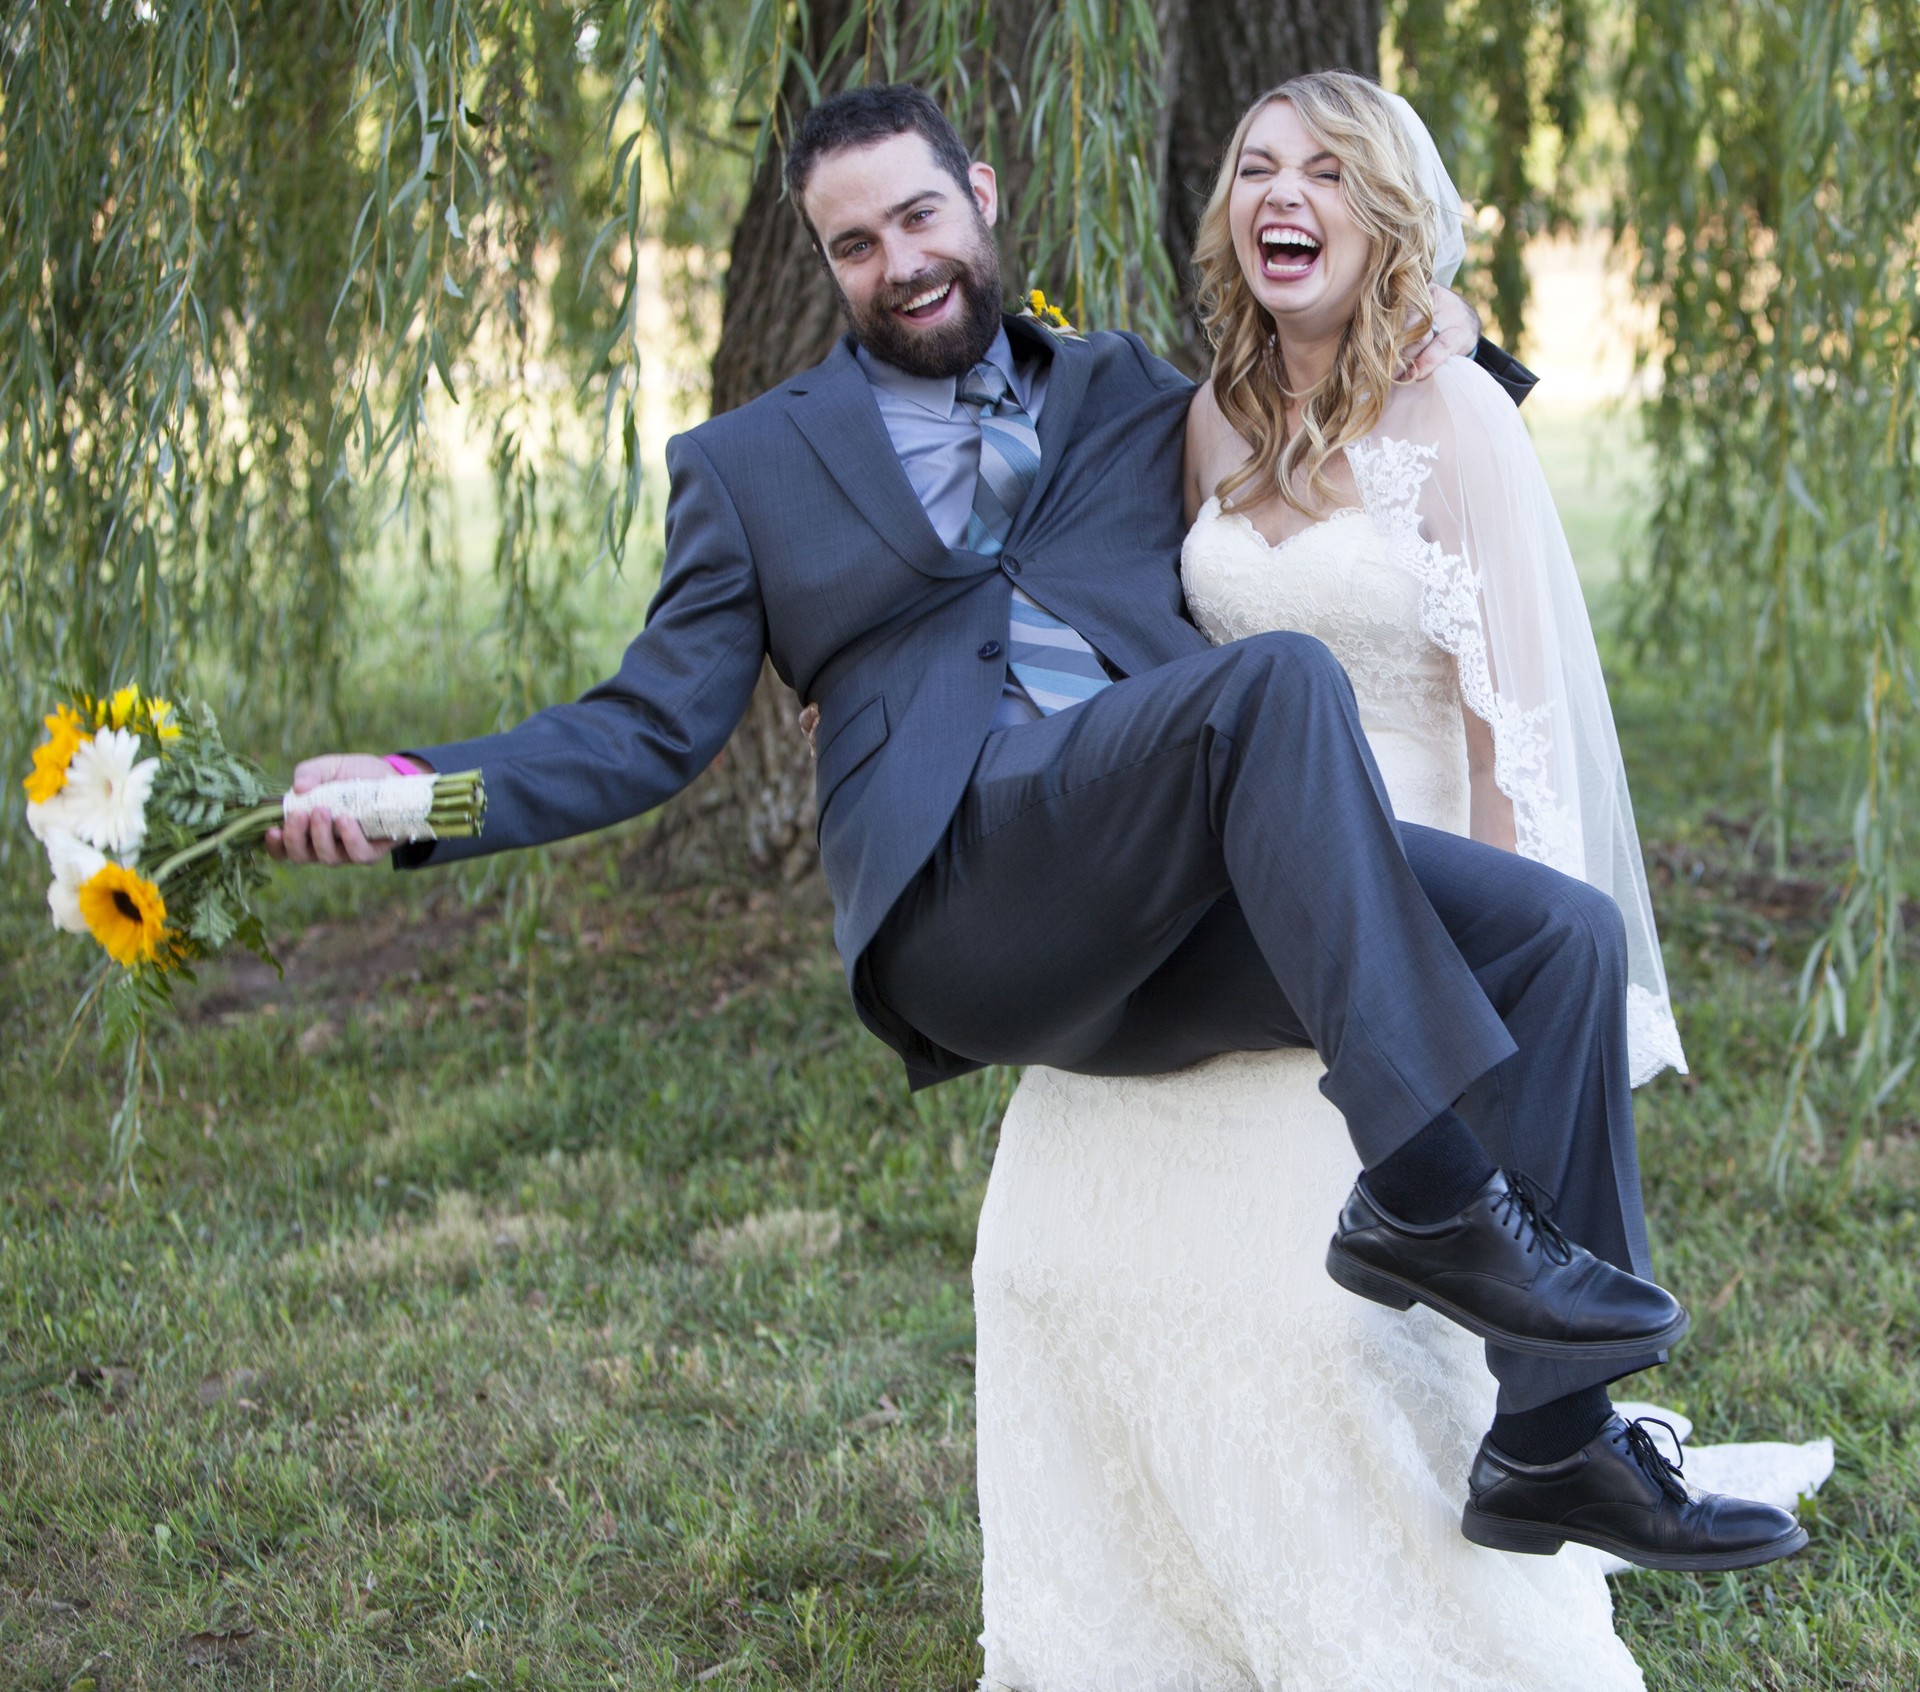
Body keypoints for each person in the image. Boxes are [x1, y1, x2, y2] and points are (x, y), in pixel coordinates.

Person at [268, 81, 1806, 1584]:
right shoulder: (747, 470)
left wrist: (1457, 327)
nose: (901, 262)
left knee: (1560, 937)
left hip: (1164, 892)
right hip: (967, 895)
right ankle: (1423, 1193)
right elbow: (641, 730)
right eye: (854, 244)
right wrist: (418, 797)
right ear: (824, 261)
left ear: (982, 200)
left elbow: (1345, 382)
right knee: (1267, 689)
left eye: (920, 216)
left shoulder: (1123, 392)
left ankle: (1554, 1439)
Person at [969, 71, 1830, 1690]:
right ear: (1230, 214)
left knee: (1326, 1294)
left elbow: (1519, 745)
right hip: (1231, 901)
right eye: (1254, 168)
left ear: (1390, 219)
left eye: (1327, 173)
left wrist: (1481, 1019)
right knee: (1048, 1251)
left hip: (1423, 877)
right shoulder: (1204, 419)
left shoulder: (1457, 418)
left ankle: (1551, 1437)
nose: (1280, 192)